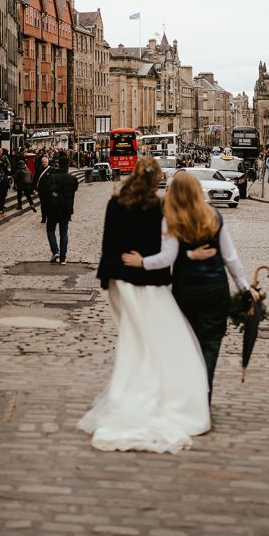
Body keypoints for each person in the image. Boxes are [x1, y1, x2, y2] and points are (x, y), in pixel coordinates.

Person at [78, 157, 210, 454]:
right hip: (150, 282)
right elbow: (169, 250)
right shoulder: (160, 206)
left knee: (132, 338)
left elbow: (107, 243)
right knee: (156, 340)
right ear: (155, 181)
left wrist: (107, 275)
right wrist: (189, 258)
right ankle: (152, 395)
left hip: (119, 279)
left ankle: (128, 395)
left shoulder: (115, 203)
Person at [123, 170, 258, 401]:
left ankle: (191, 394)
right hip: (216, 289)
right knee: (211, 343)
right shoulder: (213, 216)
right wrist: (245, 287)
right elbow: (230, 257)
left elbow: (167, 258)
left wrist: (142, 262)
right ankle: (204, 394)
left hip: (186, 290)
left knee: (189, 343)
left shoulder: (172, 219)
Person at [42, 161, 79, 263]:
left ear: (58, 167)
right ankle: (63, 258)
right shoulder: (73, 179)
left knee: (50, 230)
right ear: (67, 167)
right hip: (66, 210)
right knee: (64, 232)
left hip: (53, 209)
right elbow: (75, 189)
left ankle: (55, 251)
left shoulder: (53, 178)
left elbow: (47, 193)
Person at [35, 155, 52, 223]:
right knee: (43, 205)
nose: (44, 163)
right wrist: (34, 188)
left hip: (49, 190)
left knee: (49, 205)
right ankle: (43, 217)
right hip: (41, 191)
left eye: (45, 162)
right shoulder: (39, 169)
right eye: (43, 162)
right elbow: (35, 179)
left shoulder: (51, 169)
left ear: (48, 162)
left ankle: (49, 216)